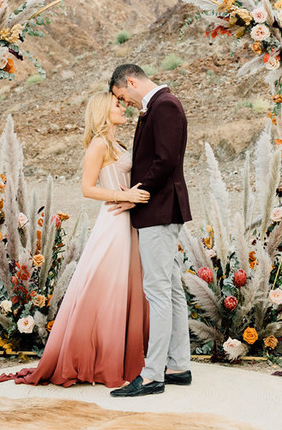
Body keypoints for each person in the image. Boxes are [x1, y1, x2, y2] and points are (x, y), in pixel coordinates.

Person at [0, 91, 149, 388]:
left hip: (130, 221)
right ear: (103, 111)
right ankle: (102, 359)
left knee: (126, 287)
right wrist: (123, 195)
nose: (123, 108)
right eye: (118, 105)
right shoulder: (99, 144)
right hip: (114, 222)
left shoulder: (117, 143)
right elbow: (87, 188)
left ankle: (124, 356)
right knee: (109, 288)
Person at [108, 63, 192, 397]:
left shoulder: (165, 105)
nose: (124, 103)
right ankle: (178, 365)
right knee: (171, 290)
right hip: (160, 210)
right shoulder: (157, 106)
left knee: (157, 291)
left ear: (130, 81)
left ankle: (153, 374)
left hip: (159, 209)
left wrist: (135, 194)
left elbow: (166, 161)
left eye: (122, 96)